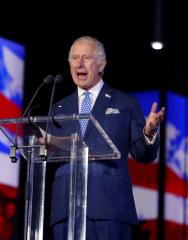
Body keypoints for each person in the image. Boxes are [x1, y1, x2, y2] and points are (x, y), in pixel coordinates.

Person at [49, 36, 165, 239]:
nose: (79, 63)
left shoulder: (125, 103)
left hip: (110, 210)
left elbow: (142, 154)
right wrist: (43, 145)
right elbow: (49, 155)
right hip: (65, 208)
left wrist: (148, 133)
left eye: (86, 57)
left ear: (101, 64)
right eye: (75, 58)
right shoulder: (58, 107)